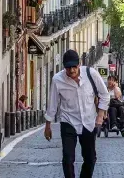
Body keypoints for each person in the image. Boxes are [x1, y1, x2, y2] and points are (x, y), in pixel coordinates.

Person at [45, 49, 110, 178]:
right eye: (68, 68)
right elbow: (52, 104)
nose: (72, 70)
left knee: (90, 158)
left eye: (74, 67)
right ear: (64, 67)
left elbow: (105, 95)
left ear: (79, 64)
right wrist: (48, 126)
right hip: (68, 122)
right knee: (68, 159)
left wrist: (100, 116)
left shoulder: (91, 74)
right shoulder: (57, 80)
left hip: (89, 122)